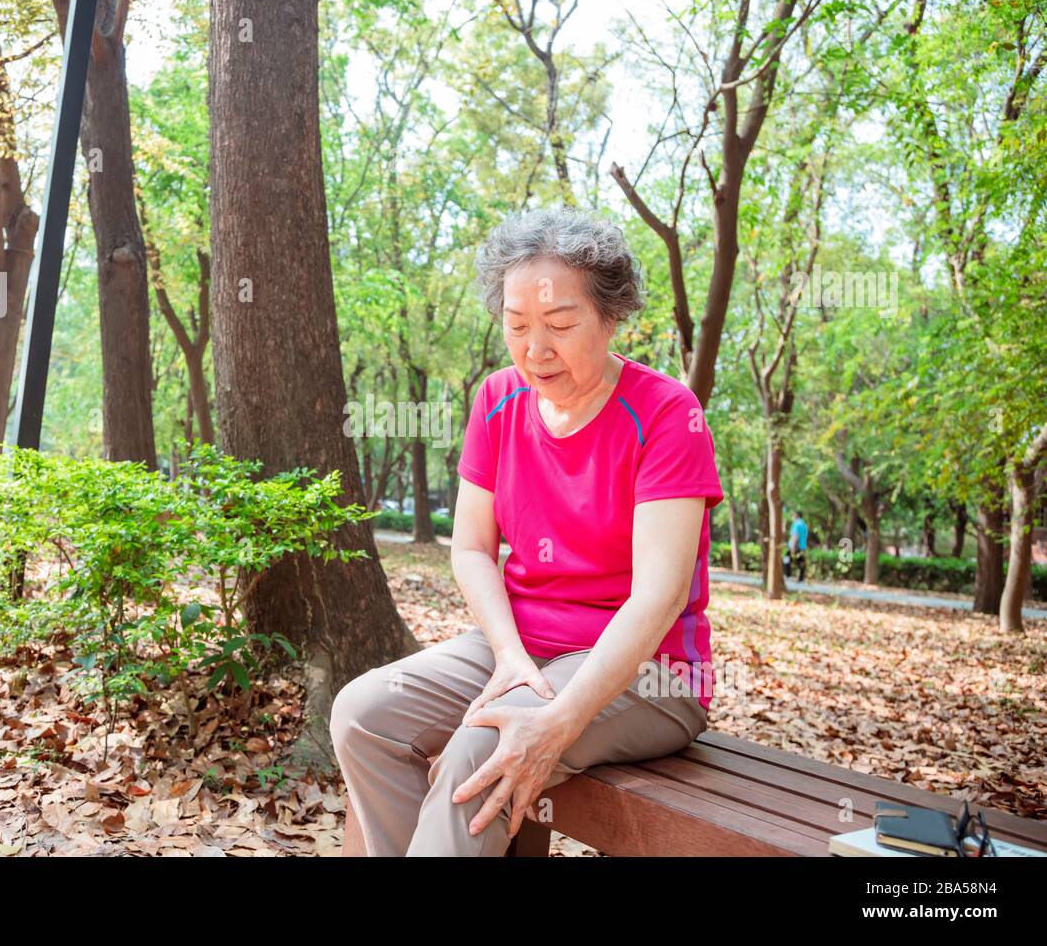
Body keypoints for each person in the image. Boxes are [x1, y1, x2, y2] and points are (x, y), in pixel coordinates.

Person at [330, 208, 725, 856]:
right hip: (522, 648)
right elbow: (471, 548)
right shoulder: (497, 400)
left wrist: (555, 723)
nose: (536, 350)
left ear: (612, 317)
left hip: (651, 673)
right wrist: (510, 655)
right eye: (517, 327)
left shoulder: (666, 414)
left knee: (482, 753)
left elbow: (658, 599)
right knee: (362, 715)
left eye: (561, 325)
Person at [788, 510, 809, 582]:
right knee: (801, 562)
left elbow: (795, 536)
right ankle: (801, 578)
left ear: (796, 515)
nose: (792, 517)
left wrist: (793, 547)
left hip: (796, 546)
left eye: (793, 515)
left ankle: (792, 577)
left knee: (792, 561)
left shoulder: (797, 524)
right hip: (803, 546)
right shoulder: (804, 524)